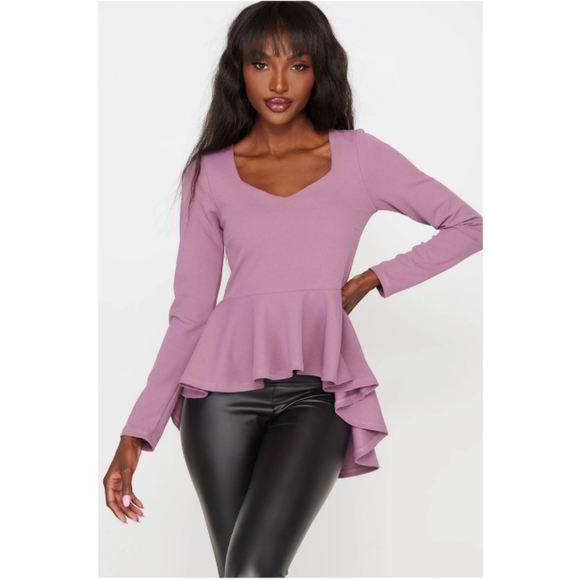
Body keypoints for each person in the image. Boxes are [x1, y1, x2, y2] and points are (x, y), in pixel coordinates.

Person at [103, 1, 483, 577]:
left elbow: (468, 226)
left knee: (253, 568)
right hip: (216, 400)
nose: (278, 83)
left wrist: (374, 279)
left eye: (297, 65)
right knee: (241, 573)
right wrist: (136, 434)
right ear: (238, 71)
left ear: (318, 71)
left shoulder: (360, 157)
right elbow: (190, 312)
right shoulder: (210, 172)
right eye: (261, 64)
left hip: (318, 393)